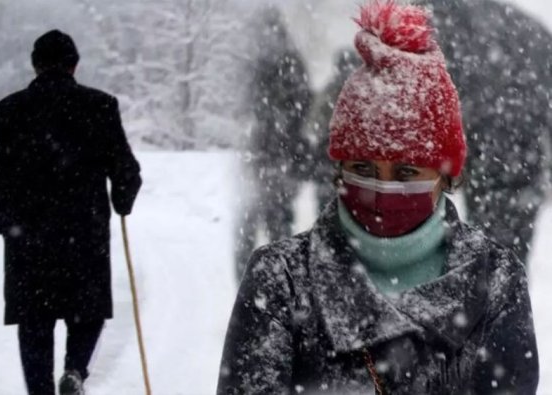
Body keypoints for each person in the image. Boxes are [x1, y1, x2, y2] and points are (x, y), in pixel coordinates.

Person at [218, 2, 538, 394]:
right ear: (338, 170)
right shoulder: (280, 279)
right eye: (364, 171)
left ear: (444, 176)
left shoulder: (495, 278)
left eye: (406, 172)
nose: (384, 190)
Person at [311, 0, 552, 264]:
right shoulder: (527, 33)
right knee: (504, 259)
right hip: (517, 167)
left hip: (480, 162)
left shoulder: (433, 20)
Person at [0, 30, 142, 395]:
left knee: (34, 323)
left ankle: (40, 390)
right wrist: (123, 199)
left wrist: (6, 224)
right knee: (87, 313)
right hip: (84, 236)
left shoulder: (8, 111)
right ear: (74, 65)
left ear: (35, 65)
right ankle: (75, 371)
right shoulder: (100, 106)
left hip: (28, 240)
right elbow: (126, 171)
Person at [235, 6, 313, 281]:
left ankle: (255, 284)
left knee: (255, 220)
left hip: (268, 153)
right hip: (278, 154)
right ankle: (281, 280)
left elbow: (246, 103)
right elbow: (304, 101)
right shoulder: (287, 60)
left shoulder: (261, 60)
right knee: (276, 221)